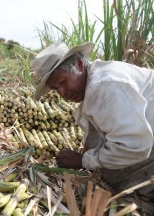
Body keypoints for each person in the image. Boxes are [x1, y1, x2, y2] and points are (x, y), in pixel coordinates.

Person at [31, 42, 154, 212]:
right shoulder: (94, 84)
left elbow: (135, 145)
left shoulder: (105, 85)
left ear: (80, 65)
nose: (62, 93)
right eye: (55, 89)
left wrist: (83, 160)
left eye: (62, 82)